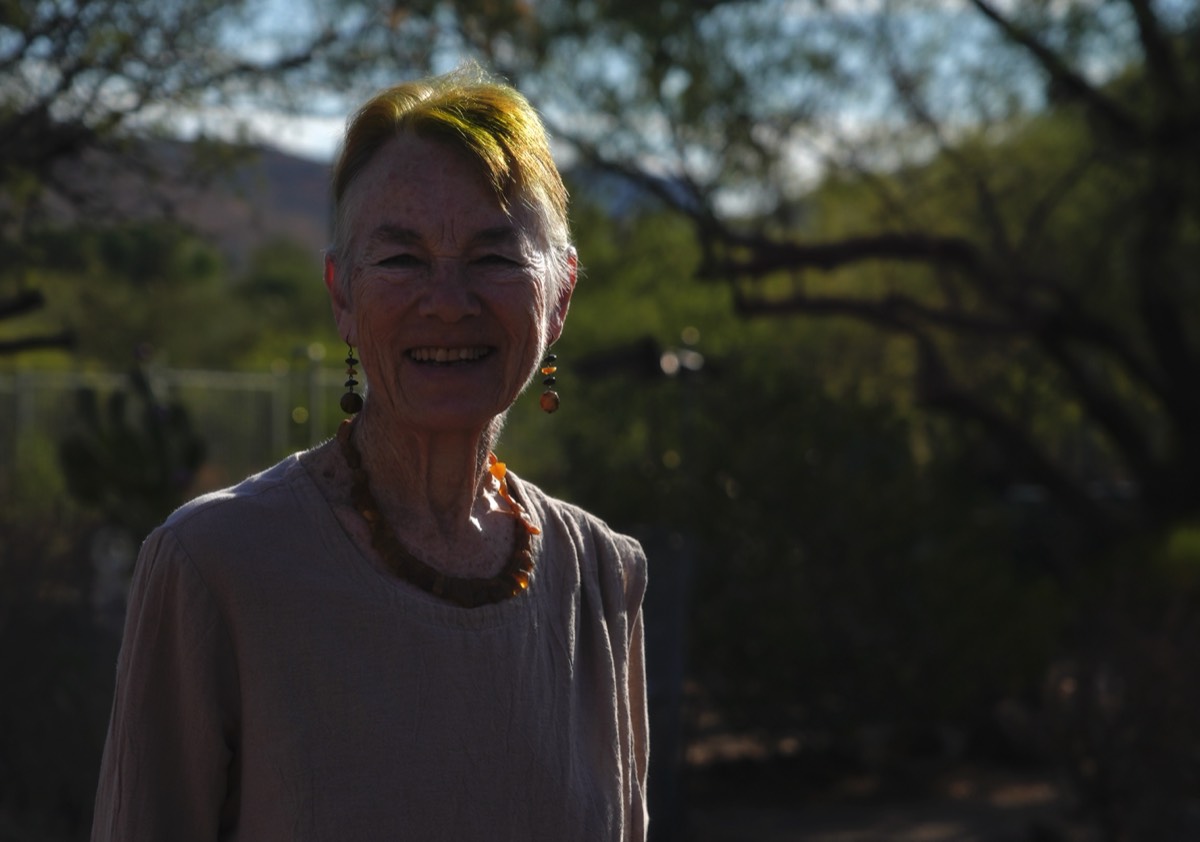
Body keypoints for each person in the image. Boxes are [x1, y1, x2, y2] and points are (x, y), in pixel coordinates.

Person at [90, 65, 649, 841]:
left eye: (493, 258)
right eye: (401, 259)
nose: (447, 302)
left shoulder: (603, 579)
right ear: (342, 296)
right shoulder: (213, 566)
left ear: (559, 298)